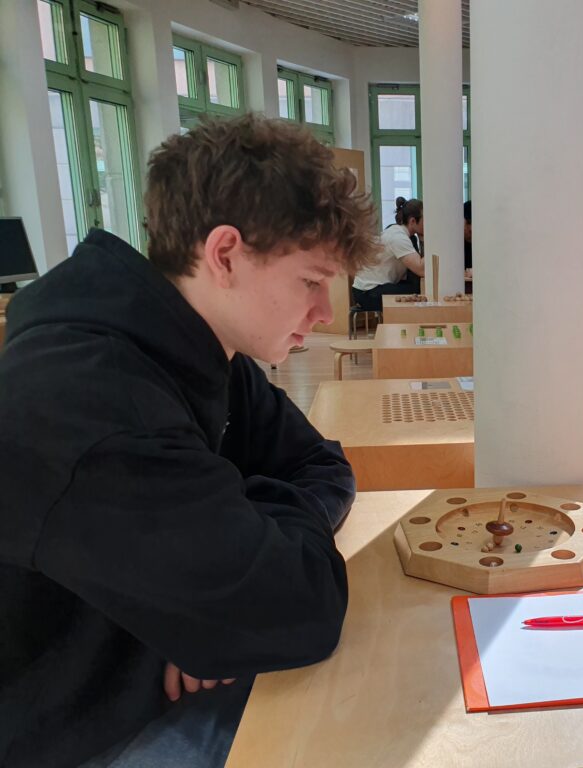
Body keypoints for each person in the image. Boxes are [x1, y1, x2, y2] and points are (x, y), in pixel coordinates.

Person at [0, 114, 379, 767]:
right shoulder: (91, 403)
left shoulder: (204, 348)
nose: (323, 314)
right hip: (74, 732)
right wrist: (230, 603)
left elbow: (322, 464)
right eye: (311, 282)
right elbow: (302, 605)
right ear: (225, 254)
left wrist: (222, 600)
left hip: (152, 668)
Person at [352, 197, 425, 312]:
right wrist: (429, 240)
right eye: (425, 220)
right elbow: (421, 269)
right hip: (368, 292)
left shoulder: (400, 233)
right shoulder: (398, 238)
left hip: (370, 289)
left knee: (415, 286)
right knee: (417, 291)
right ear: (412, 221)